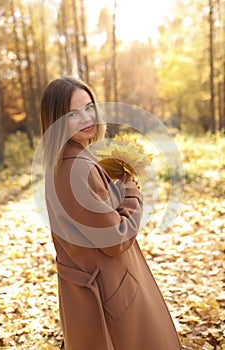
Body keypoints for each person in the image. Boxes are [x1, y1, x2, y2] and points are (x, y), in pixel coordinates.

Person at [40, 76, 182, 350]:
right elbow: (116, 238)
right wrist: (131, 191)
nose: (86, 118)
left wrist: (113, 185)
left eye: (89, 107)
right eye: (72, 113)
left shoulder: (66, 159)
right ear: (55, 120)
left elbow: (89, 216)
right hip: (107, 290)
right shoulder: (76, 166)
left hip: (96, 285)